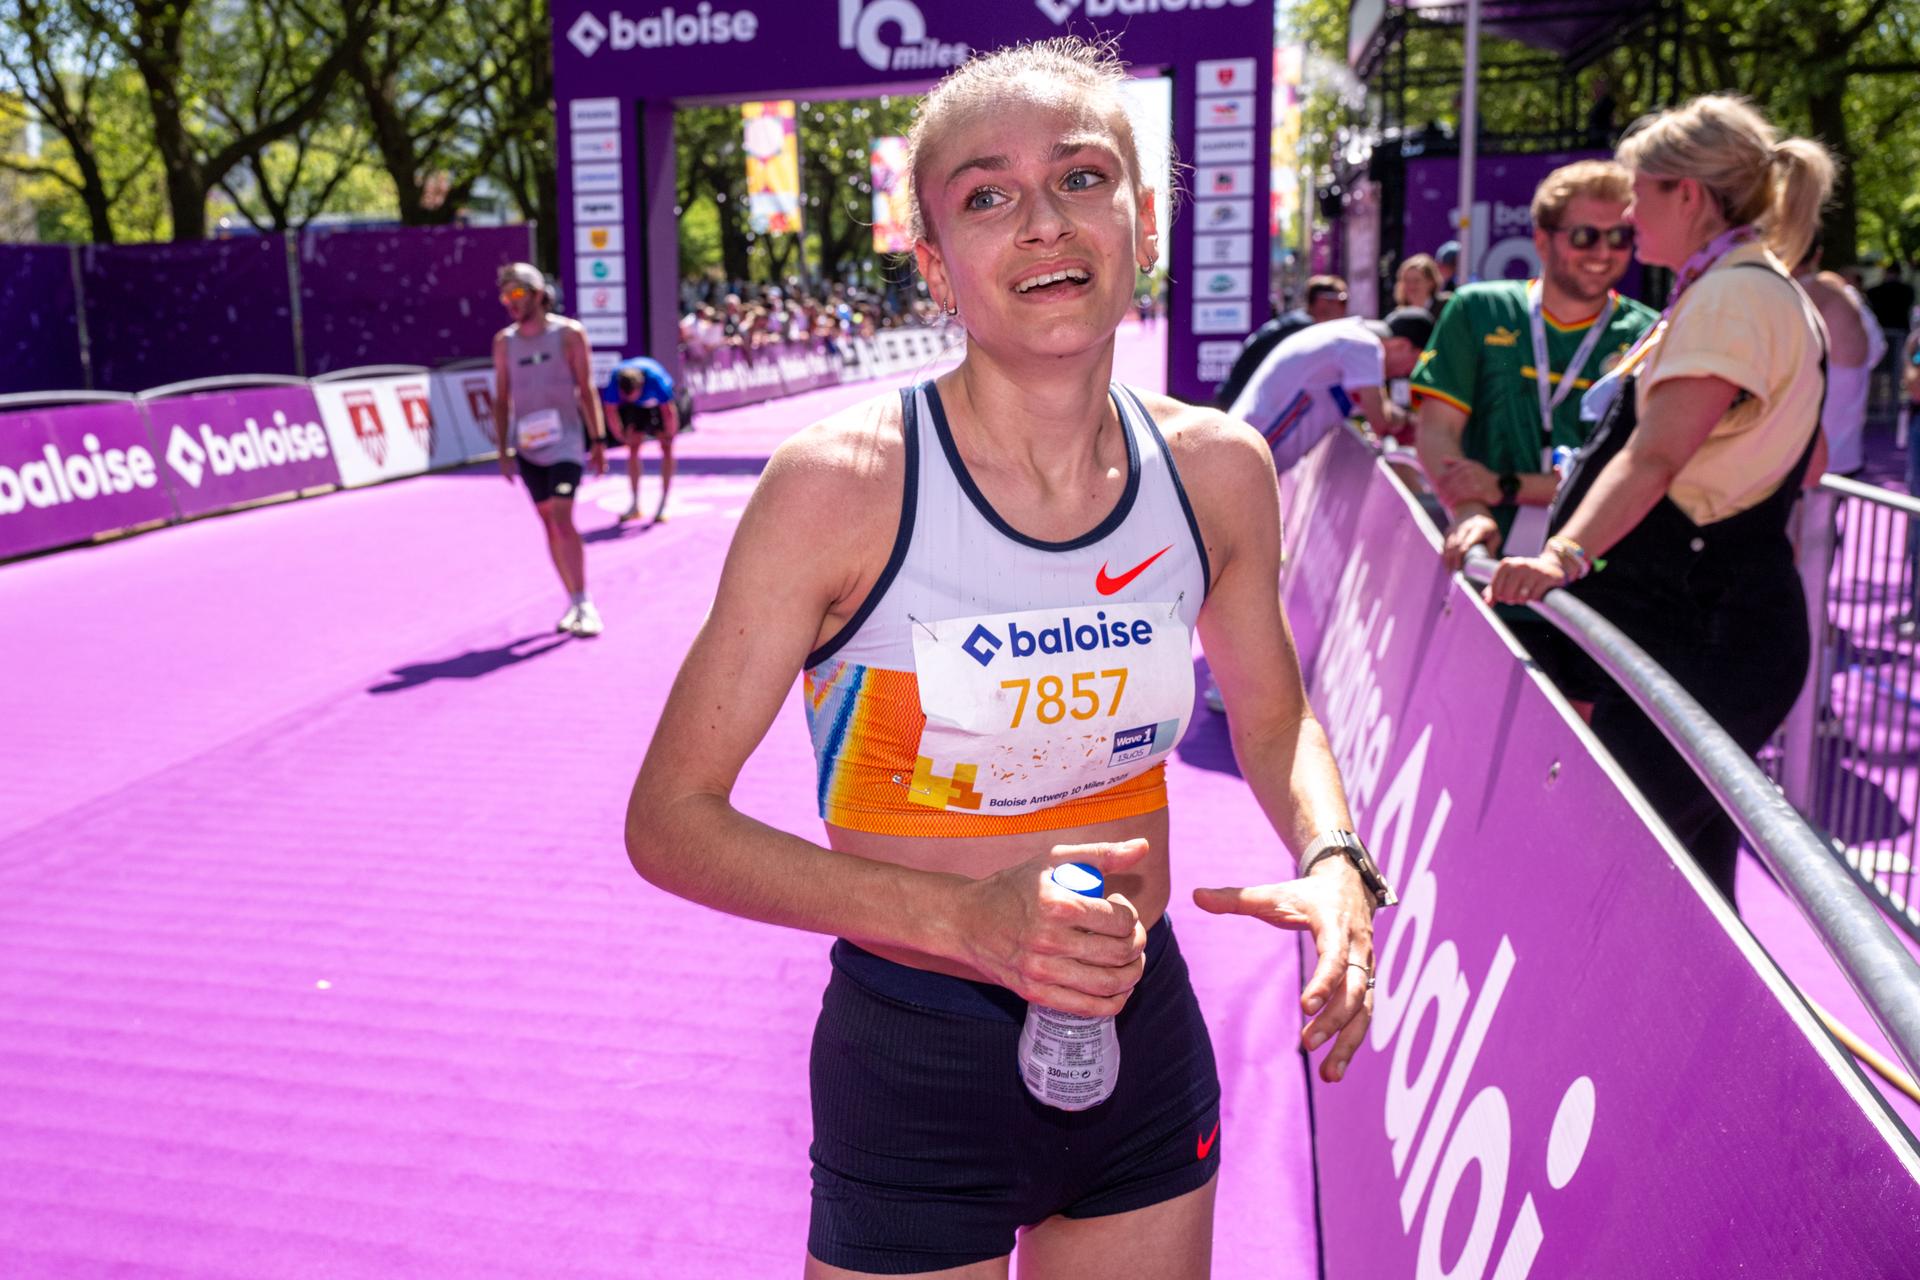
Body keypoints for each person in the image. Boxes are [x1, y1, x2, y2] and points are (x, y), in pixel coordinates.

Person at [625, 38, 1387, 1280]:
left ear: (1142, 222)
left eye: (1082, 178)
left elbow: (1274, 716)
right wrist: (966, 923)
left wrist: (1333, 852)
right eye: (987, 195)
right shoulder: (840, 489)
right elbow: (669, 820)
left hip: (1140, 1042)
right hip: (918, 1058)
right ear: (935, 263)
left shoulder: (1217, 470)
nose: (1042, 222)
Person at [1486, 94, 1833, 904]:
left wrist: (1559, 555)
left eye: (1641, 195)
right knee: (1693, 894)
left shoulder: (1737, 296)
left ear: (1690, 194)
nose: (1631, 216)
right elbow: (1810, 463)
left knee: (1612, 881)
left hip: (1705, 639)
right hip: (1714, 631)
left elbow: (1655, 455)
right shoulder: (1748, 288)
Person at [1416, 160, 1657, 568]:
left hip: (1596, 568)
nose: (1603, 252)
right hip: (1486, 558)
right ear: (1542, 241)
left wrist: (1506, 486)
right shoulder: (1478, 309)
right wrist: (1471, 506)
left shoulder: (1648, 334)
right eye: (1584, 236)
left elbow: (1635, 469)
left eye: (1620, 236)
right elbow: (1437, 430)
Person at [492, 263, 609, 637]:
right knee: (548, 522)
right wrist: (503, 449)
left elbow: (585, 388)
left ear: (538, 294)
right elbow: (501, 397)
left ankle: (585, 602)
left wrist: (599, 440)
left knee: (562, 515)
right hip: (528, 448)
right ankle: (572, 598)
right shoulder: (504, 342)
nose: (510, 302)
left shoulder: (569, 334)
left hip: (566, 443)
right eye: (505, 296)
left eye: (517, 294)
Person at [1226, 306, 1432, 476]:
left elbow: (1374, 408)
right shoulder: (1365, 347)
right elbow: (1380, 421)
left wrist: (1403, 419)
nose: (1409, 372)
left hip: (1246, 450)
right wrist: (1410, 423)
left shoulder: (1350, 337)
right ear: (1402, 346)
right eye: (1415, 362)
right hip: (1247, 456)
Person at [1794, 243, 1884, 477]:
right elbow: (1876, 350)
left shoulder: (1793, 294)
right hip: (1841, 450)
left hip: (1807, 456)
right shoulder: (1843, 294)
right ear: (1818, 255)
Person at [1211, 275, 1347, 409]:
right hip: (1243, 404)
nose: (1345, 308)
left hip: (1240, 399)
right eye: (1342, 300)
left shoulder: (1299, 323)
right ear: (1322, 301)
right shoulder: (1307, 330)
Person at [601, 355, 680, 524]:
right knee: (632, 448)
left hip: (659, 407)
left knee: (667, 448)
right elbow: (610, 410)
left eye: (632, 394)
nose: (628, 397)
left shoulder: (656, 380)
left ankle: (663, 504)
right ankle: (635, 504)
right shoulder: (616, 379)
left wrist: (670, 435)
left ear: (641, 386)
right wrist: (620, 434)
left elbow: (668, 412)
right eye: (625, 396)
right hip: (637, 410)